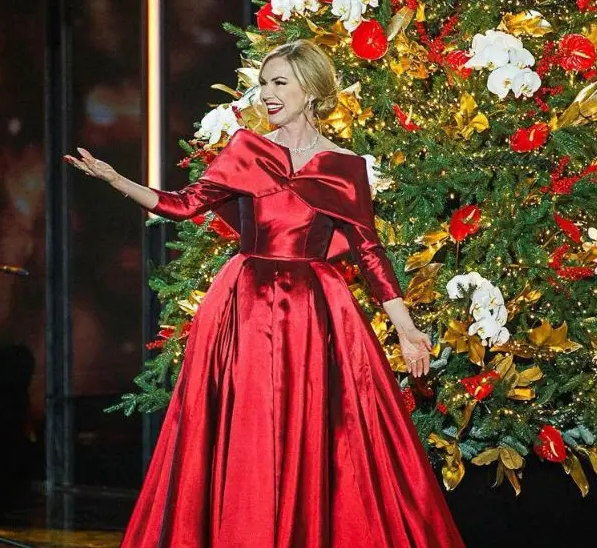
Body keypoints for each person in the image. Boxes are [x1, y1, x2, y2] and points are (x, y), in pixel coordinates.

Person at [64, 39, 466, 547]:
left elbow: (370, 254)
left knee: (317, 431)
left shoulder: (345, 167)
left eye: (280, 83)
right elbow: (182, 204)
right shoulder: (247, 150)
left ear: (311, 90)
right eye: (263, 83)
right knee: (248, 429)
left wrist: (406, 329)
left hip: (314, 311)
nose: (267, 94)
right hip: (245, 305)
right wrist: (116, 179)